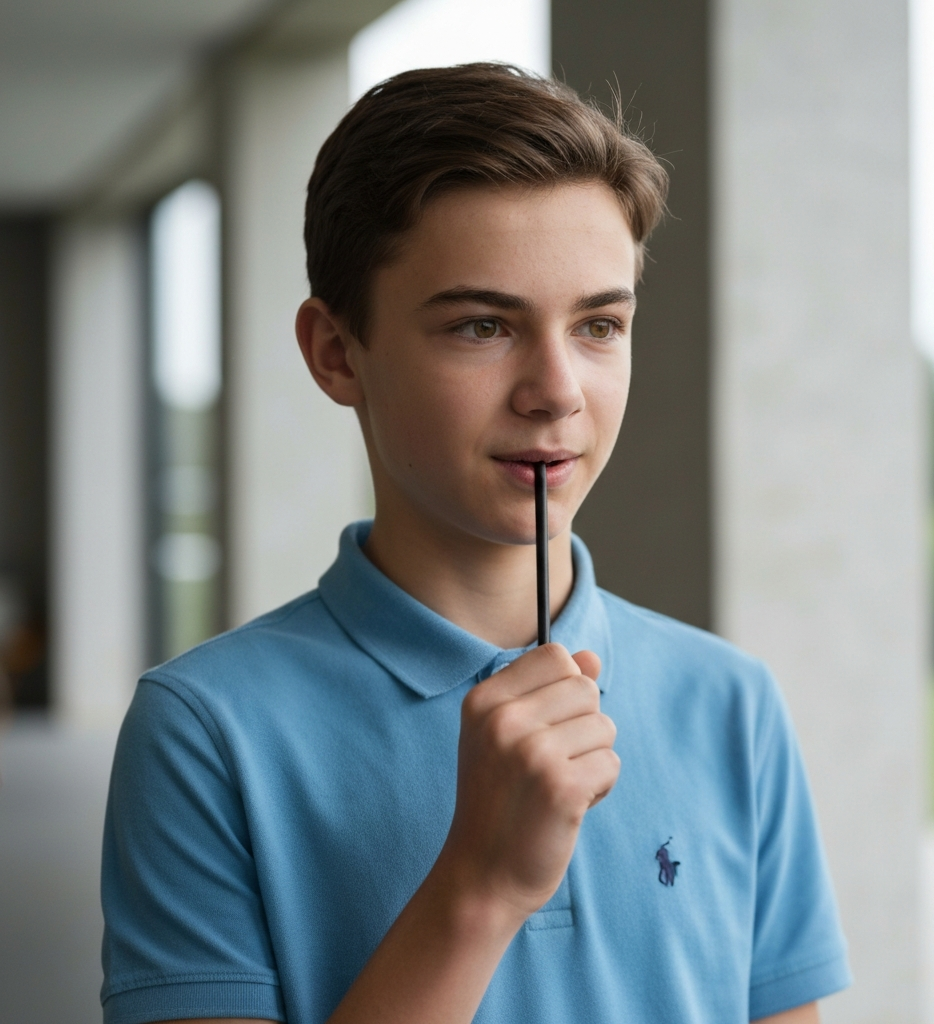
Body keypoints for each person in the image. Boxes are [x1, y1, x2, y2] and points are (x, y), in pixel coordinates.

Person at [100, 63, 851, 1024]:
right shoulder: (204, 733)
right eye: (484, 325)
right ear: (337, 353)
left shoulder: (731, 704)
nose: (556, 389)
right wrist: (480, 886)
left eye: (599, 325)